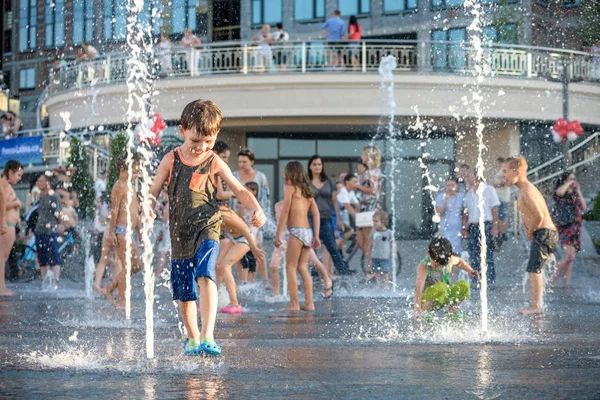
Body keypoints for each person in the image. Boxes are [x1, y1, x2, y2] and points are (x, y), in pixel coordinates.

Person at [149, 99, 266, 357]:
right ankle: (192, 337)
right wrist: (146, 206)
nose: (201, 147)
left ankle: (208, 335)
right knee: (185, 293)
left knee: (205, 273)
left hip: (208, 226)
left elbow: (237, 188)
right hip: (180, 234)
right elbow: (154, 190)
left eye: (208, 142)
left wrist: (257, 208)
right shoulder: (170, 160)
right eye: (195, 141)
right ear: (182, 132)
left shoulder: (213, 161)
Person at [502, 157, 559, 314]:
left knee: (534, 269)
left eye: (505, 171)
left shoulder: (527, 191)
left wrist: (530, 231)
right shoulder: (524, 190)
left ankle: (535, 306)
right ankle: (536, 304)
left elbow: (539, 216)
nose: (503, 175)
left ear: (518, 172)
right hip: (545, 233)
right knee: (534, 268)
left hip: (544, 232)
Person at [275, 161, 321, 311]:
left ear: (290, 173)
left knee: (290, 267)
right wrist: (316, 235)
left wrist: (279, 233)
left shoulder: (290, 188)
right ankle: (309, 303)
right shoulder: (307, 190)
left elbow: (286, 210)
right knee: (302, 267)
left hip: (296, 231)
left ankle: (294, 303)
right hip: (307, 232)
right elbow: (315, 213)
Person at [100, 153, 144, 309]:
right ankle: (121, 301)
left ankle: (110, 288)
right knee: (127, 267)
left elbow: (135, 213)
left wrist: (140, 234)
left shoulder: (130, 186)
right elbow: (115, 211)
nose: (137, 174)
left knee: (137, 265)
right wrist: (111, 233)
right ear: (123, 168)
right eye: (135, 170)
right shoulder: (119, 185)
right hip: (120, 230)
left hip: (128, 232)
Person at [270, 200, 334, 298]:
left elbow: (314, 215)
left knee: (312, 263)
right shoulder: (278, 205)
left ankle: (326, 279)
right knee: (273, 266)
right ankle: (277, 294)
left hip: (298, 236)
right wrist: (278, 236)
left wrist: (316, 236)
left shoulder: (300, 203)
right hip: (283, 238)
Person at [414, 237, 479, 320]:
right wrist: (417, 309)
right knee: (441, 287)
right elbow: (418, 289)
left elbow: (459, 261)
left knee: (464, 285)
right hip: (427, 300)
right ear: (428, 254)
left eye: (442, 264)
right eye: (436, 263)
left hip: (444, 294)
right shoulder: (424, 266)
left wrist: (470, 270)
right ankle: (425, 313)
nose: (439, 266)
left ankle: (451, 312)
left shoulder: (448, 260)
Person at [308, 155, 353, 276]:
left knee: (332, 247)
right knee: (311, 248)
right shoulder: (306, 181)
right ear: (310, 166)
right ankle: (314, 274)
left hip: (326, 218)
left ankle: (343, 274)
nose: (317, 167)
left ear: (322, 166)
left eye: (319, 164)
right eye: (314, 164)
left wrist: (338, 219)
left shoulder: (329, 181)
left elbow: (334, 201)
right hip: (310, 218)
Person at [461, 164, 500, 286]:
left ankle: (490, 281)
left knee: (487, 254)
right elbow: (465, 212)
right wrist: (465, 228)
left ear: (477, 176)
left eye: (470, 175)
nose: (468, 178)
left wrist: (495, 226)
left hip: (486, 225)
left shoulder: (489, 190)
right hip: (473, 227)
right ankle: (476, 280)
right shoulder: (469, 193)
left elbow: (494, 209)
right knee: (474, 254)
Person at [549, 172, 586, 287]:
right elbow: (559, 192)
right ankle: (551, 280)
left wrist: (579, 191)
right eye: (570, 179)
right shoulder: (561, 192)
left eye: (574, 179)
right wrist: (569, 183)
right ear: (565, 180)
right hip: (565, 227)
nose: (574, 181)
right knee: (569, 256)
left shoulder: (575, 194)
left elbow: (584, 207)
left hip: (576, 228)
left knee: (571, 259)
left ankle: (566, 283)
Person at [352, 146, 382, 278]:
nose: (362, 157)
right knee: (360, 240)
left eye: (363, 154)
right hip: (365, 208)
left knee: (367, 241)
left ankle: (371, 271)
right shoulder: (370, 171)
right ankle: (373, 266)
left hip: (370, 208)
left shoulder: (373, 172)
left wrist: (357, 186)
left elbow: (374, 191)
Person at [34, 173, 64, 287]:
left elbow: (59, 213)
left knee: (53, 255)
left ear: (47, 183)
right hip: (39, 230)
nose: (38, 183)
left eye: (40, 181)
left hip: (51, 230)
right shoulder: (40, 196)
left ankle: (56, 281)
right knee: (42, 256)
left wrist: (61, 225)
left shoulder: (54, 196)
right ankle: (44, 281)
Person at [0, 160, 22, 296]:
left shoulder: (6, 185)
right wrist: (16, 202)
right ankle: (1, 288)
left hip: (9, 224)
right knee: (2, 257)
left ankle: (2, 286)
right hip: (6, 225)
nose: (20, 178)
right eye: (18, 175)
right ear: (10, 172)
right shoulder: (4, 184)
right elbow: (2, 204)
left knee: (3, 257)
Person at [435, 176, 464, 254]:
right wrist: (445, 202)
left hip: (457, 230)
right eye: (448, 185)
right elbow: (438, 212)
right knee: (445, 253)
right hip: (444, 230)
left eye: (452, 185)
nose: (450, 188)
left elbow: (465, 213)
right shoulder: (441, 196)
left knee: (456, 254)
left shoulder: (461, 197)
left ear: (457, 186)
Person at [370, 210, 396, 290]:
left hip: (384, 256)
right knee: (376, 271)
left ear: (383, 221)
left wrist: (394, 252)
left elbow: (394, 243)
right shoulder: (374, 232)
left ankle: (385, 285)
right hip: (375, 255)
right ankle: (378, 285)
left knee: (385, 271)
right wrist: (368, 252)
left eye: (376, 221)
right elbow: (370, 242)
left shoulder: (388, 232)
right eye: (373, 221)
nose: (374, 223)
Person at [493, 157, 512, 244]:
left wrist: (496, 185)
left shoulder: (504, 171)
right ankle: (501, 233)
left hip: (502, 197)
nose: (496, 165)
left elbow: (505, 182)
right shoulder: (499, 171)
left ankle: (502, 234)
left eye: (497, 163)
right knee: (500, 216)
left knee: (501, 217)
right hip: (498, 197)